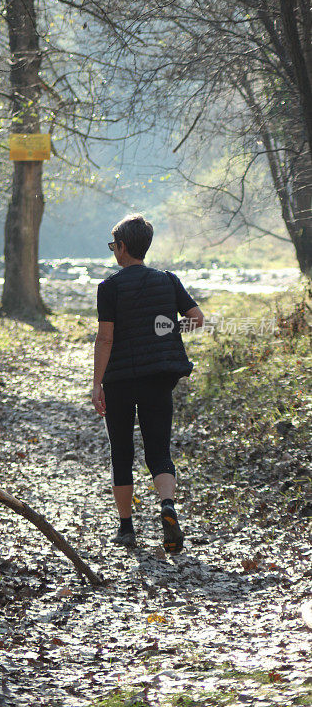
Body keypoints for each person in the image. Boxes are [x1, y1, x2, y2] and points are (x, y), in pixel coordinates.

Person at [92, 213, 205, 552]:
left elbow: (105, 339)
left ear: (123, 247)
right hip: (158, 377)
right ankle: (167, 506)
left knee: (122, 453)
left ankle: (126, 528)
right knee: (159, 450)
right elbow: (197, 320)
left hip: (120, 380)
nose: (114, 251)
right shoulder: (168, 280)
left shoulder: (109, 287)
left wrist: (97, 383)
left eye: (114, 246)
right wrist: (169, 332)